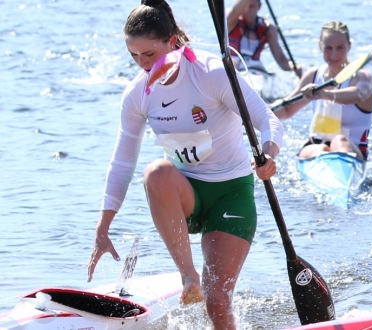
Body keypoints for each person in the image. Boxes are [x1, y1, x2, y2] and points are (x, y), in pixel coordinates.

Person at [86, 1, 283, 329]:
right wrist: (103, 226)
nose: (143, 65)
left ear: (173, 41)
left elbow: (267, 118)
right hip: (184, 196)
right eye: (134, 57)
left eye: (149, 55)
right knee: (156, 172)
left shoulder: (212, 73)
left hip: (230, 194)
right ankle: (187, 275)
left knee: (217, 300)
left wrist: (269, 153)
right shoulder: (138, 93)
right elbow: (122, 159)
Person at [269, 21, 372, 162]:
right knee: (320, 149)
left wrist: (324, 94)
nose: (334, 54)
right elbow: (287, 109)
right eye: (328, 48)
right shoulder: (313, 75)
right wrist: (255, 115)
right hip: (317, 145)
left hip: (351, 149)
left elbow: (358, 94)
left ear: (349, 46)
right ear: (320, 46)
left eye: (340, 48)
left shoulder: (362, 77)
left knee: (340, 141)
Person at [227, 0, 302, 78]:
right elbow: (234, 11)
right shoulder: (231, 22)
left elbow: (281, 59)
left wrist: (293, 67)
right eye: (244, 6)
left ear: (259, 7)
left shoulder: (268, 29)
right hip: (235, 69)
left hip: (257, 71)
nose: (247, 10)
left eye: (252, 6)